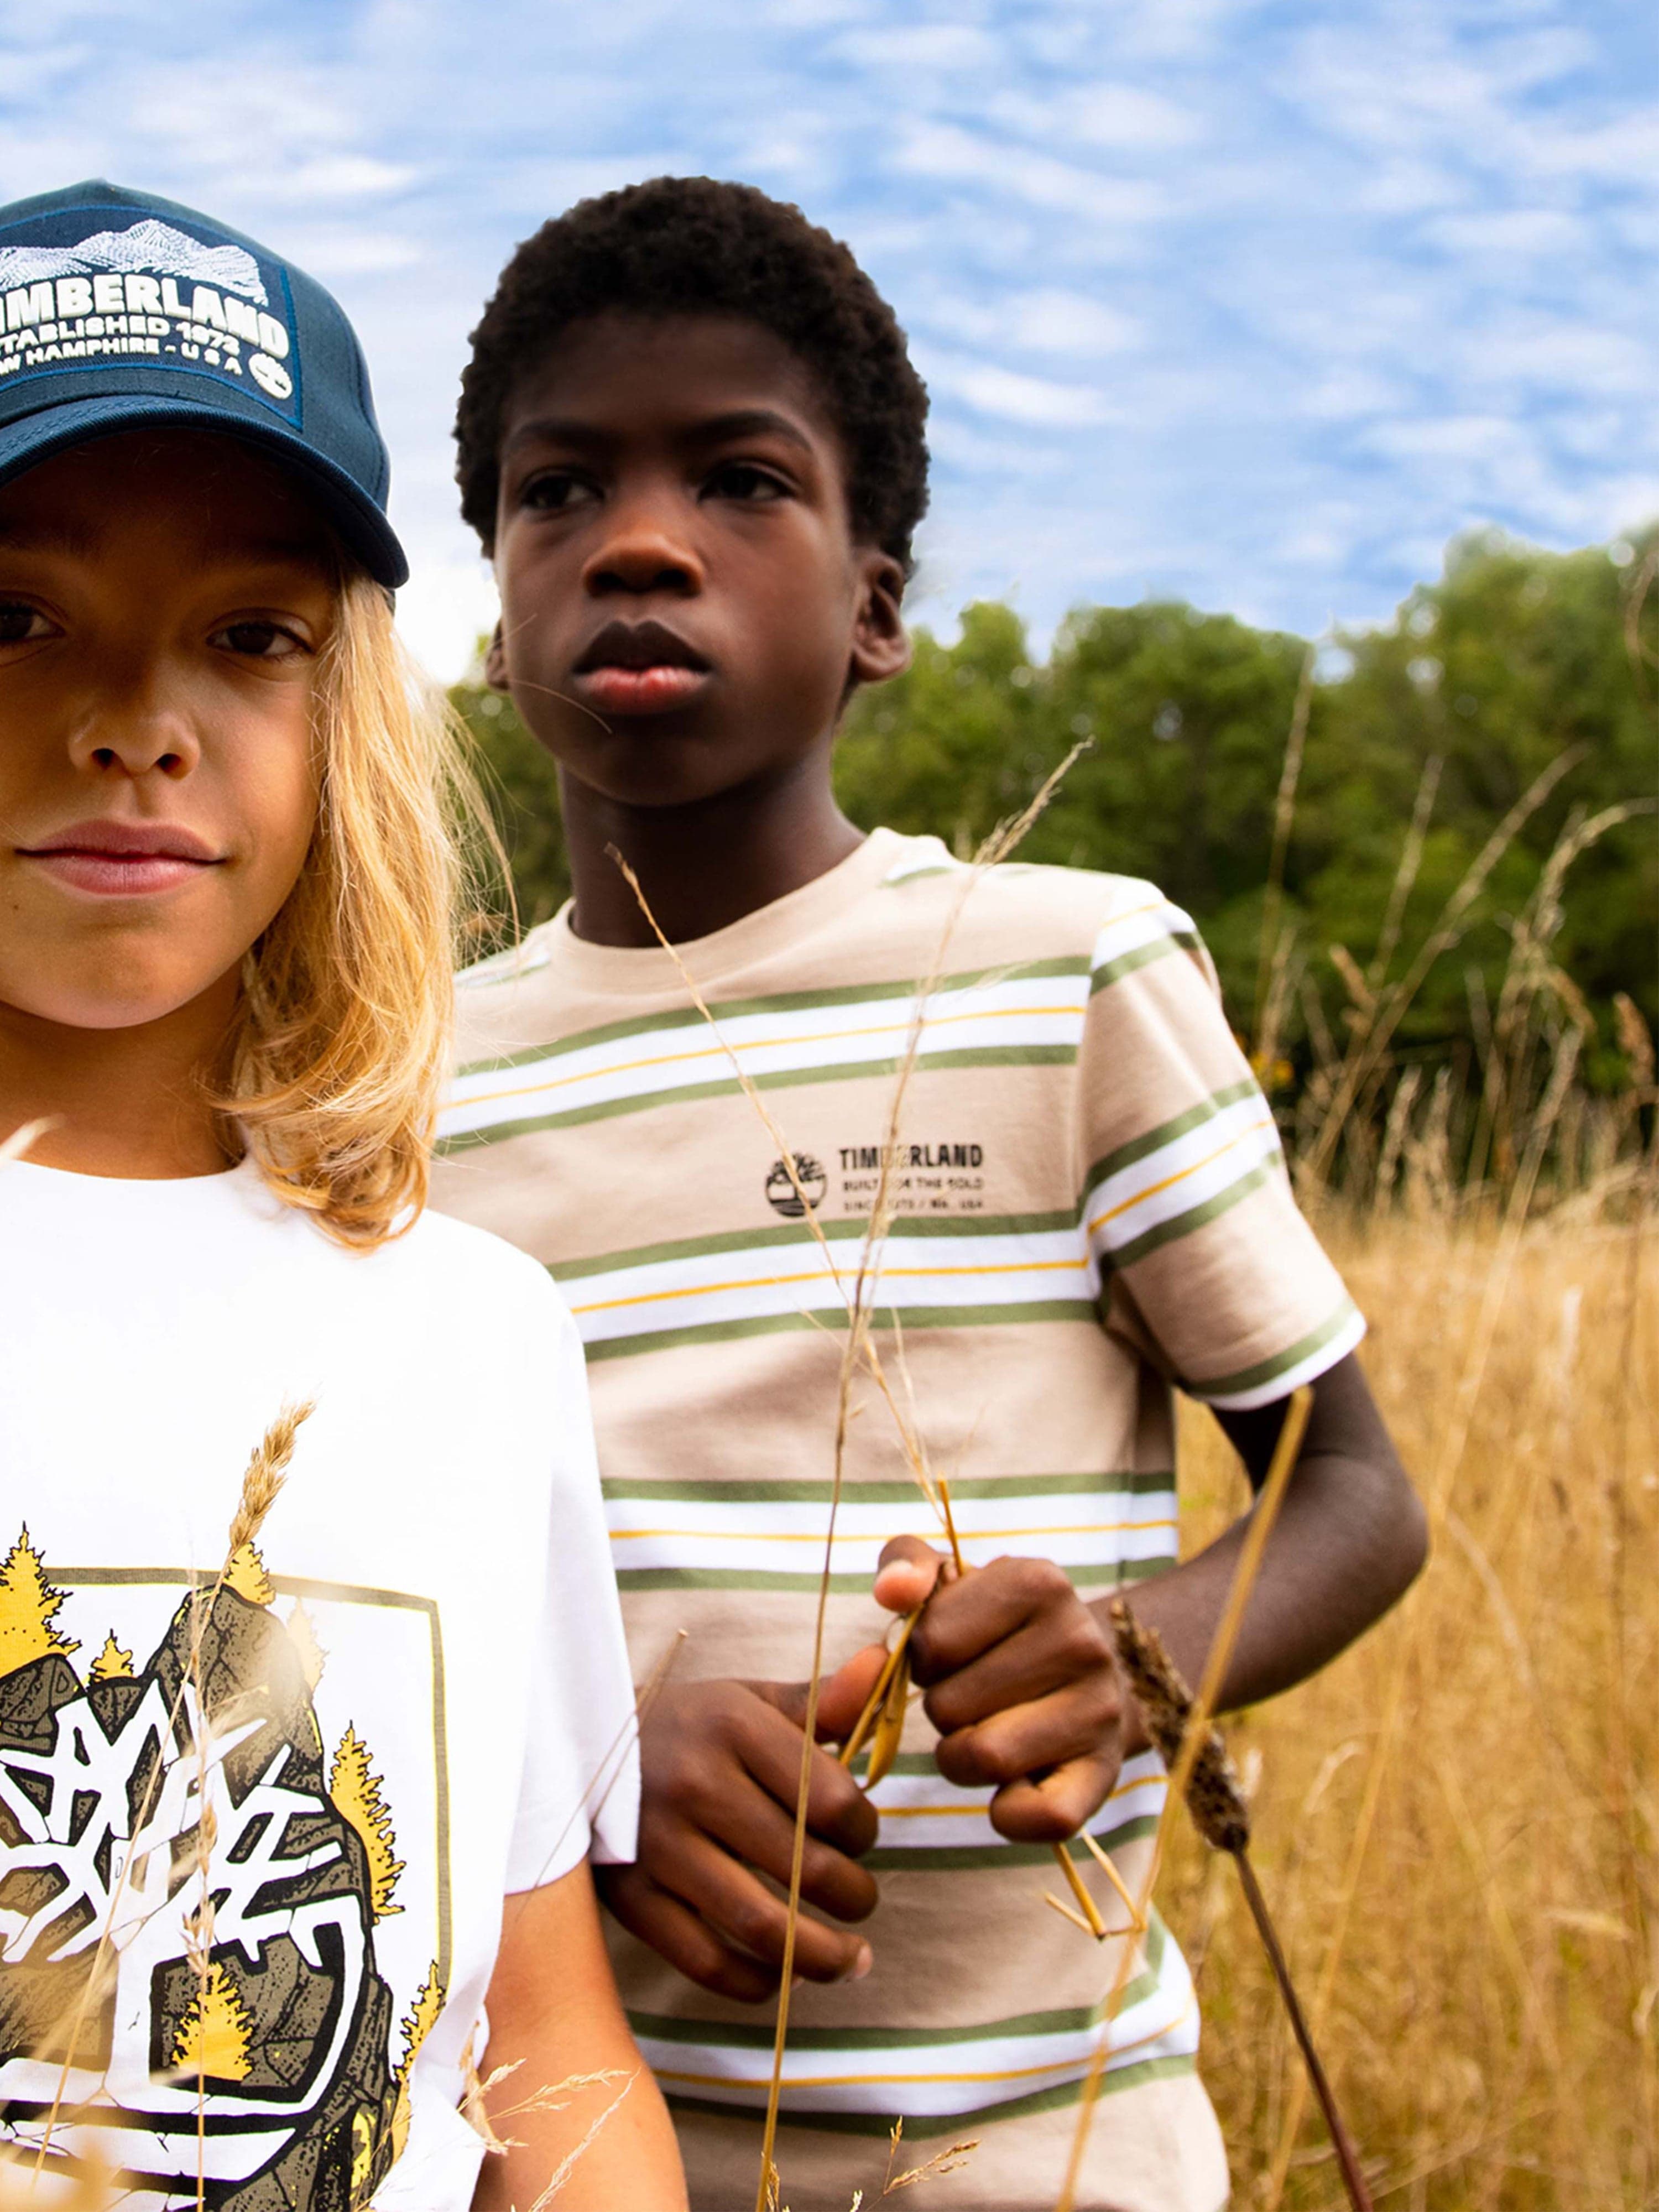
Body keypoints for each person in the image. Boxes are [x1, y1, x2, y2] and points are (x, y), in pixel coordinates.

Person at [431, 176, 1428, 2212]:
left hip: (1047, 2152)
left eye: (738, 481)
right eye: (558, 494)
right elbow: (387, 1624)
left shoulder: (1065, 972)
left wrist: (1135, 1655)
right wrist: (600, 1774)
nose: (636, 539)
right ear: (500, 598)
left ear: (876, 604)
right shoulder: (406, 1084)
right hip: (568, 2146)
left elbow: (1354, 1495)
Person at [0, 180, 686, 2212]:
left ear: (347, 714)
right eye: (12, 614)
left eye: (251, 634)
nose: (132, 720)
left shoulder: (473, 1333)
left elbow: (542, 2052)